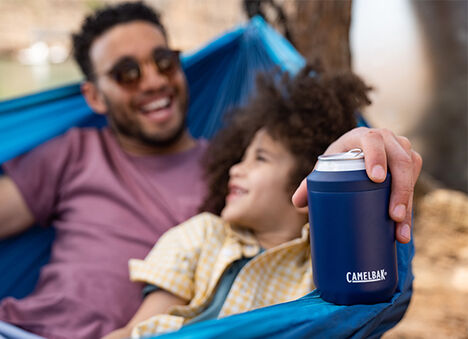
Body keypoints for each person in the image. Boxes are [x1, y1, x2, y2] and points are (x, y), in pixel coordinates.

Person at [0, 2, 422, 339]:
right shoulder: (73, 151)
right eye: (127, 73)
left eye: (163, 61)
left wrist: (346, 168)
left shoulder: (229, 183)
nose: (152, 81)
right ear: (94, 95)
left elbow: (332, 251)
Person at [103, 65, 404, 339]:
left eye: (259, 157)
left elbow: (376, 270)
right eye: (239, 158)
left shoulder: (323, 263)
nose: (236, 169)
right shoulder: (203, 235)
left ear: (305, 177)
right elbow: (138, 330)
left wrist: (349, 171)